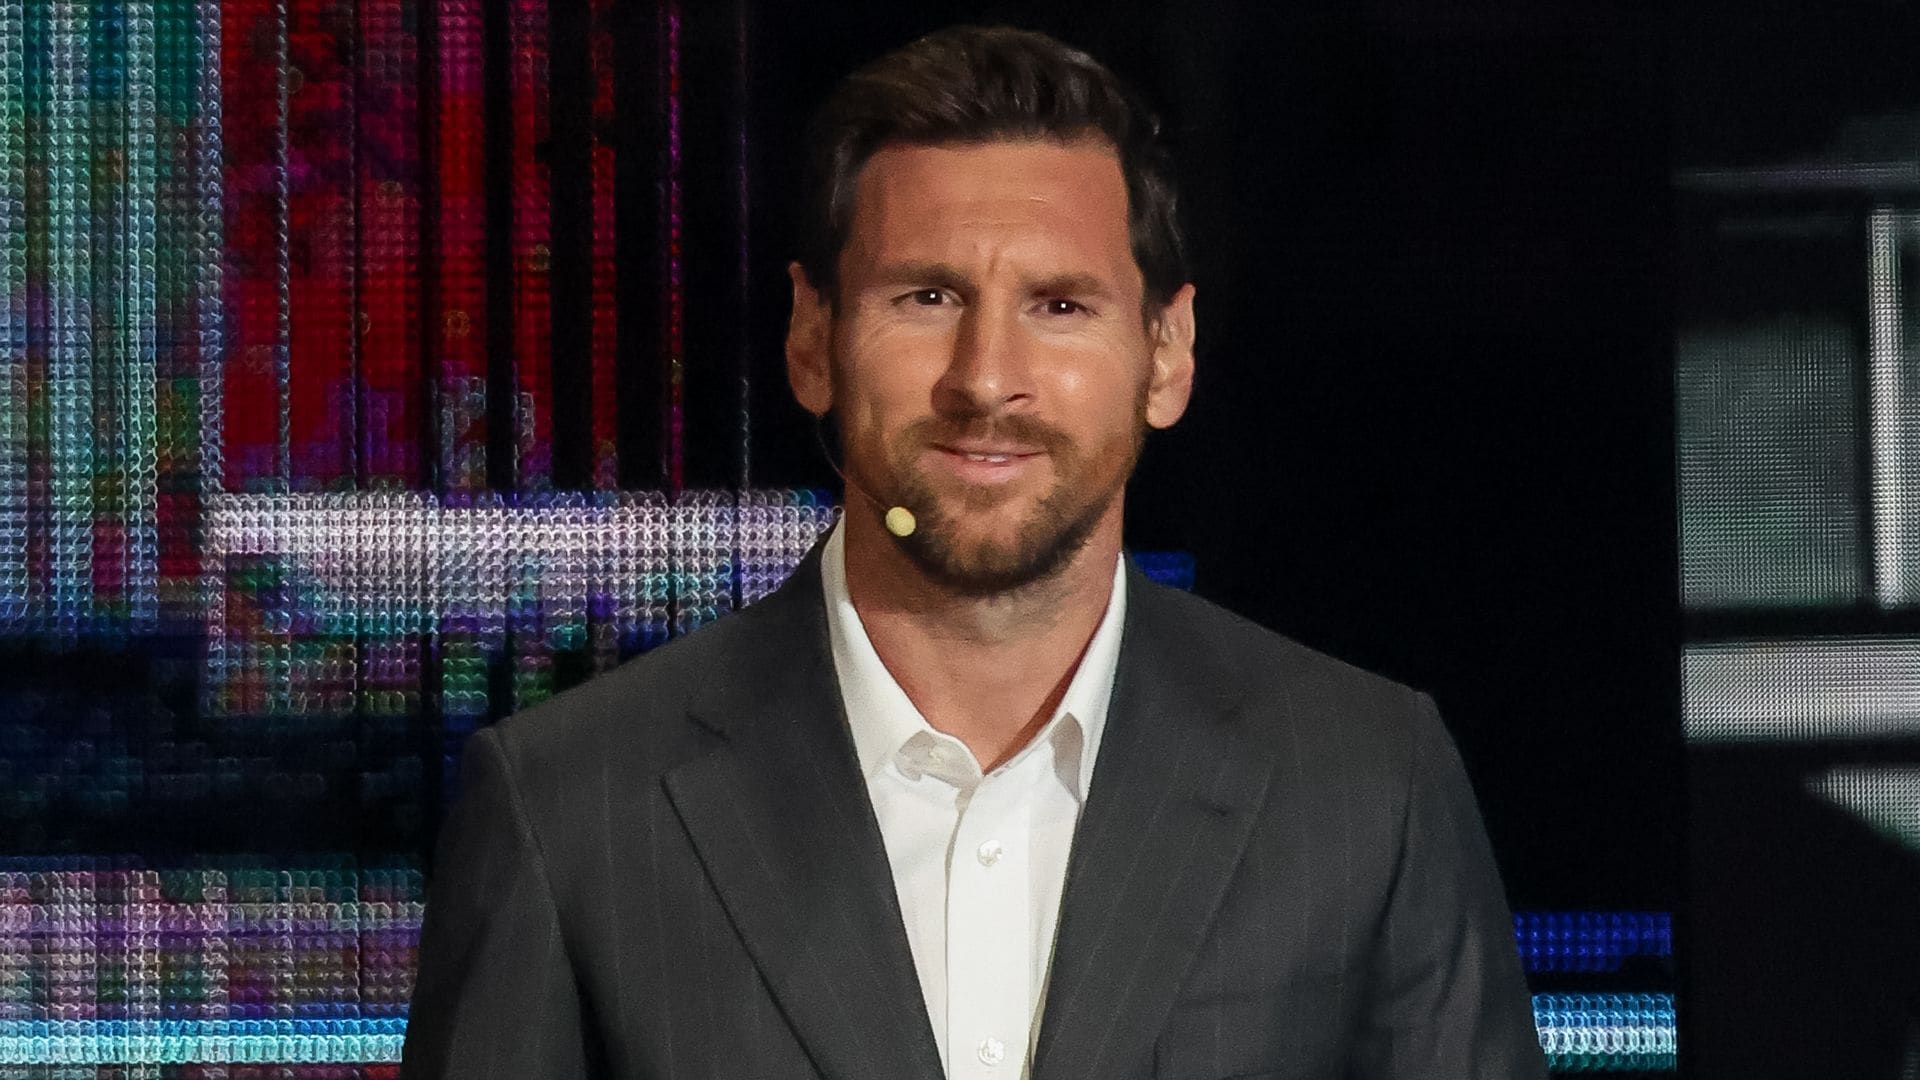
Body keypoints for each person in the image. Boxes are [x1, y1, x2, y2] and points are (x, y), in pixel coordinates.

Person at [400, 24, 1545, 1080]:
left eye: (1059, 305)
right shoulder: (572, 806)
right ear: (814, 339)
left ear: (1168, 353)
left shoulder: (1364, 785)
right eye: (927, 294)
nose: (985, 378)